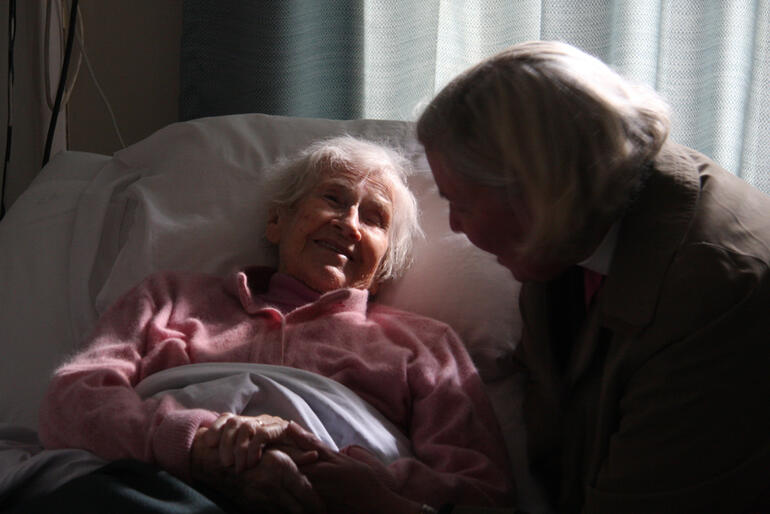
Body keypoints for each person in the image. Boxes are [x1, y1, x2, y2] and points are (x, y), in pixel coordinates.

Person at [36, 136, 514, 513]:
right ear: (276, 222)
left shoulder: (424, 345)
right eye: (333, 198)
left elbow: (480, 492)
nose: (349, 224)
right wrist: (200, 444)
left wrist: (357, 481)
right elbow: (74, 399)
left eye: (374, 218)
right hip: (162, 485)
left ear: (385, 263)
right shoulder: (168, 298)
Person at [415, 40, 770, 513]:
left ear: (537, 191)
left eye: (461, 203)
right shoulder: (572, 228)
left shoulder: (716, 294)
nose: (455, 225)